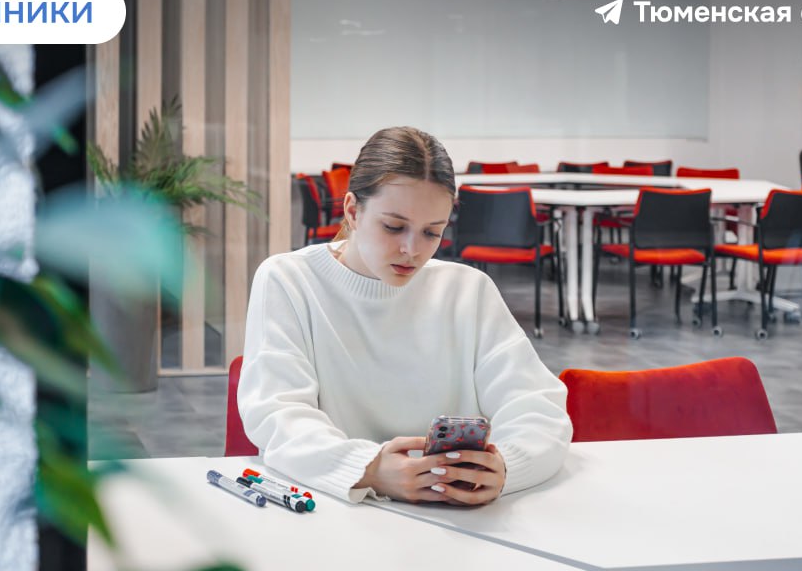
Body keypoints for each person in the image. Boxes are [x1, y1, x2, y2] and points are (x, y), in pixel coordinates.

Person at [239, 126, 572, 505]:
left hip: (456, 519)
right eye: (394, 227)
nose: (412, 250)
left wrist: (506, 466)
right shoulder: (290, 280)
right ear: (352, 210)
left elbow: (538, 409)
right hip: (337, 512)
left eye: (432, 233)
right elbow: (277, 414)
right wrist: (368, 469)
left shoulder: (468, 290)